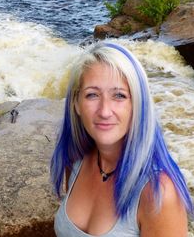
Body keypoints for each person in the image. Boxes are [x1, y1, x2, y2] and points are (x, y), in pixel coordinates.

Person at [51, 42, 193, 237]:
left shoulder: (157, 192)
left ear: (137, 104)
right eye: (92, 95)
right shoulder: (76, 157)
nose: (104, 111)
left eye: (119, 95)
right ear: (76, 103)